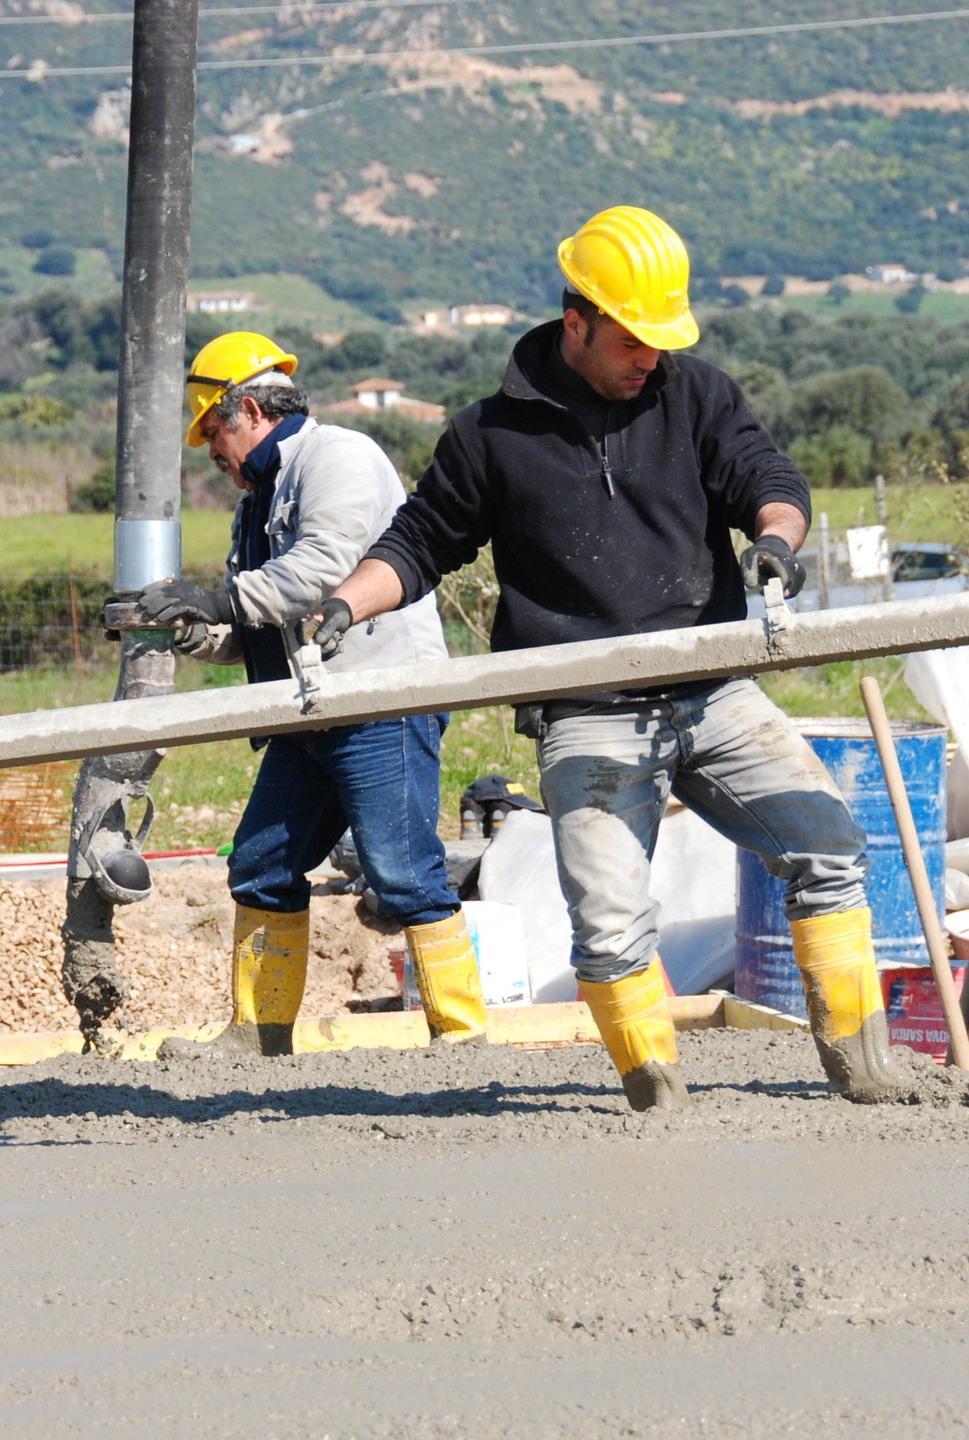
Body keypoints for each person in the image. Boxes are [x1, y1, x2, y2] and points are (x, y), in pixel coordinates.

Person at [313, 205, 902, 1111]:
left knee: (828, 846)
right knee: (611, 923)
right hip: (584, 707)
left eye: (661, 340)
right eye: (631, 340)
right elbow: (420, 542)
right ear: (575, 323)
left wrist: (775, 541)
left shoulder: (696, 395)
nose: (648, 359)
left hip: (710, 687)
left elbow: (768, 480)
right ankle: (654, 1098)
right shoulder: (488, 436)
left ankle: (864, 1070)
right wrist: (341, 606)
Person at [134, 330, 486, 1057]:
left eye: (213, 436)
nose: (214, 455)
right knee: (261, 866)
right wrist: (189, 628)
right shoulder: (256, 504)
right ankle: (256, 1036)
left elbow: (324, 569)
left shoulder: (338, 458)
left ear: (248, 411)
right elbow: (257, 626)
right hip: (308, 708)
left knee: (402, 872)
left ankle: (462, 1036)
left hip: (378, 700)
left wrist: (216, 599)